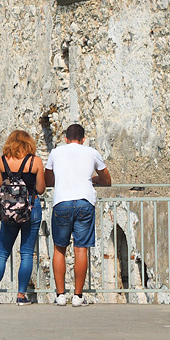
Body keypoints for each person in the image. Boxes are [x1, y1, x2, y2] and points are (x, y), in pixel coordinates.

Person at [45, 123, 111, 307]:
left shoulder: (56, 152)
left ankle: (60, 295)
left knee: (59, 248)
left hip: (62, 201)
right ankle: (77, 296)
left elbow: (48, 179)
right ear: (83, 139)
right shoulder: (91, 152)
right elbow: (107, 180)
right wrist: (94, 179)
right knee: (81, 249)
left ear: (65, 139)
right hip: (84, 201)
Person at [0, 130, 46, 306]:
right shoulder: (35, 161)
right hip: (31, 208)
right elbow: (40, 188)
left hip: (9, 211)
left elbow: (2, 185)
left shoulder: (2, 162)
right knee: (26, 253)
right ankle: (21, 296)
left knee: (2, 253)